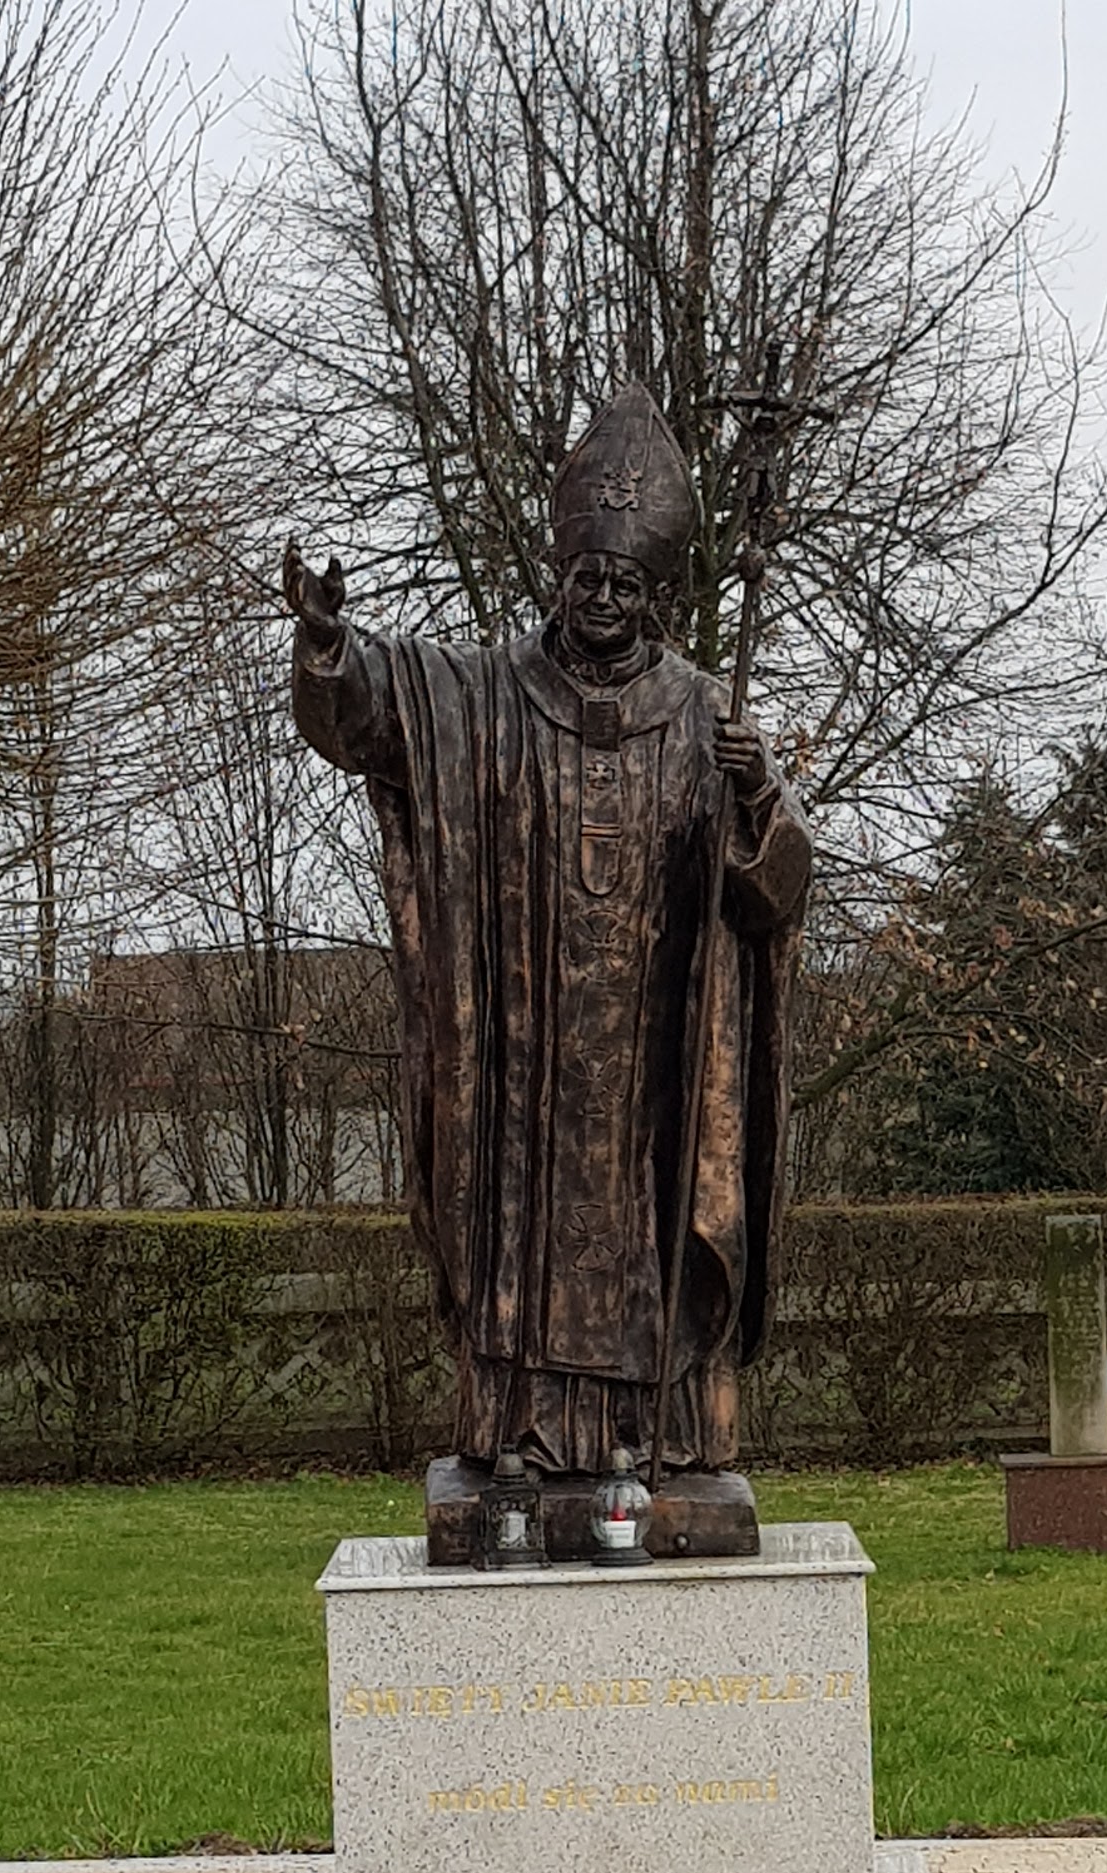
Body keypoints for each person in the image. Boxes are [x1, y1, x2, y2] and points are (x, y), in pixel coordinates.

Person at [286, 382, 810, 1478]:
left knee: (651, 1233)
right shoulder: (485, 697)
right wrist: (330, 644)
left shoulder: (707, 718)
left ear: (654, 595)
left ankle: (654, 1437)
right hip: (523, 1055)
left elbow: (774, 894)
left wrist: (757, 794)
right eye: (587, 576)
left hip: (655, 1060)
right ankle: (519, 1436)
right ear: (557, 575)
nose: (604, 597)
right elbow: (380, 711)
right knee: (514, 1228)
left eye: (626, 582)